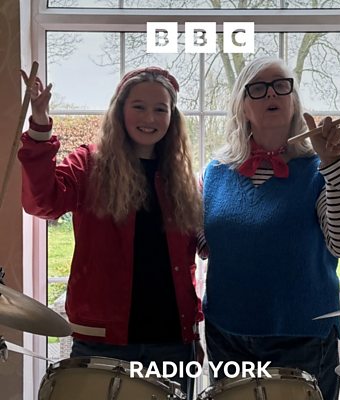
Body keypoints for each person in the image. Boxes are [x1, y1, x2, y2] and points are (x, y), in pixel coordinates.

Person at [18, 66, 204, 399]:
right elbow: (42, 202)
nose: (150, 117)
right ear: (120, 110)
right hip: (102, 343)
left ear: (172, 117)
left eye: (160, 109)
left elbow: (193, 251)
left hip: (172, 343)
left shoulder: (181, 177)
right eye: (139, 106)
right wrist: (41, 125)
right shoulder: (89, 164)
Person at [201, 57, 340, 400]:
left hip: (302, 339)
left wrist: (333, 163)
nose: (271, 94)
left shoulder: (319, 169)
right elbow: (204, 241)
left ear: (293, 100)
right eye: (258, 88)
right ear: (242, 106)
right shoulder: (215, 172)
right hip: (227, 335)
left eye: (281, 85)